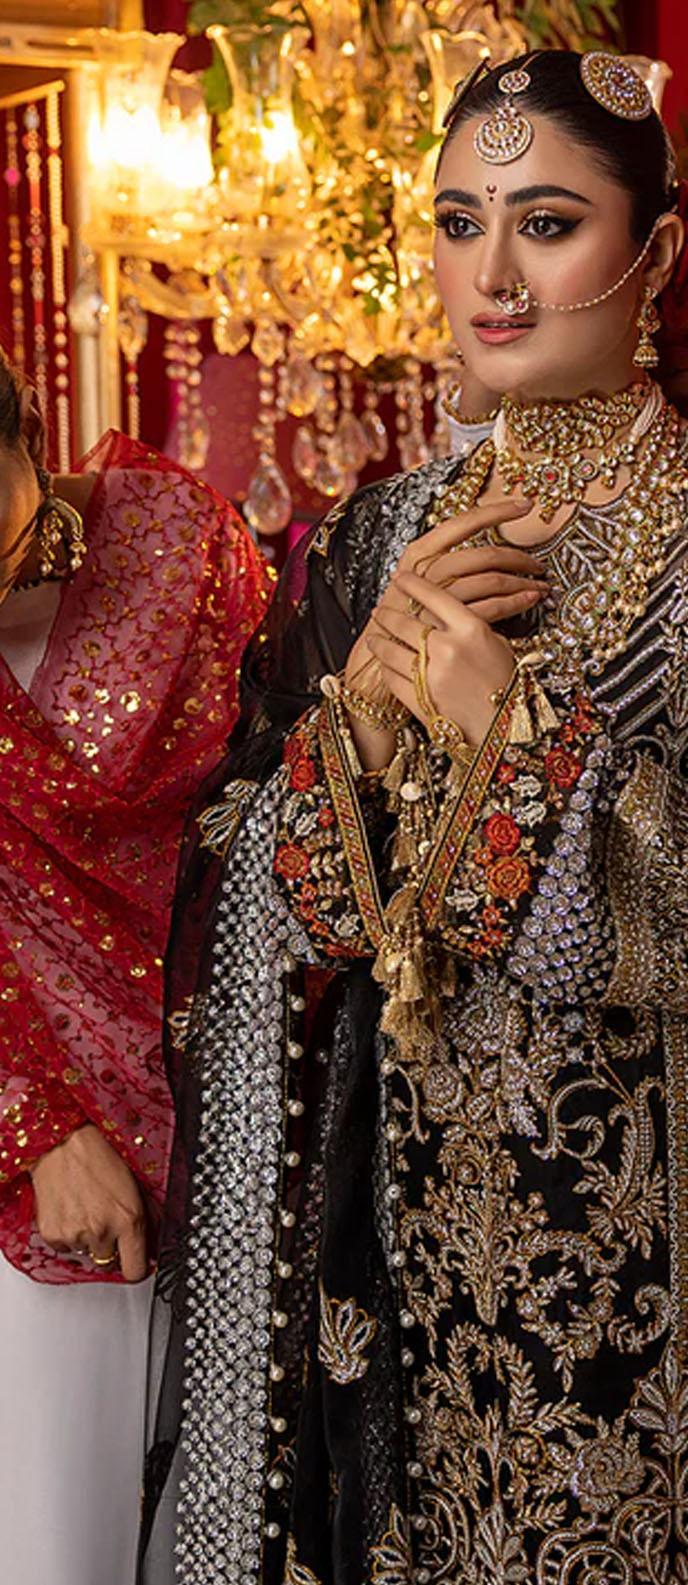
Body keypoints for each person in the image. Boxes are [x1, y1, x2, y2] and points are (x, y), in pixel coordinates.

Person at [140, 51, 688, 1585]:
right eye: (457, 222)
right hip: (404, 1262)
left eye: (545, 223)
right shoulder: (370, 541)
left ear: (655, 252)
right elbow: (248, 883)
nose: (490, 274)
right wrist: (360, 718)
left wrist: (529, 744)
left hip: (665, 1272)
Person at [0, 357, 270, 1585]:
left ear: (30, 428)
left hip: (238, 1122)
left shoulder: (181, 545)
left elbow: (279, 807)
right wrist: (34, 1126)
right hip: (35, 1164)